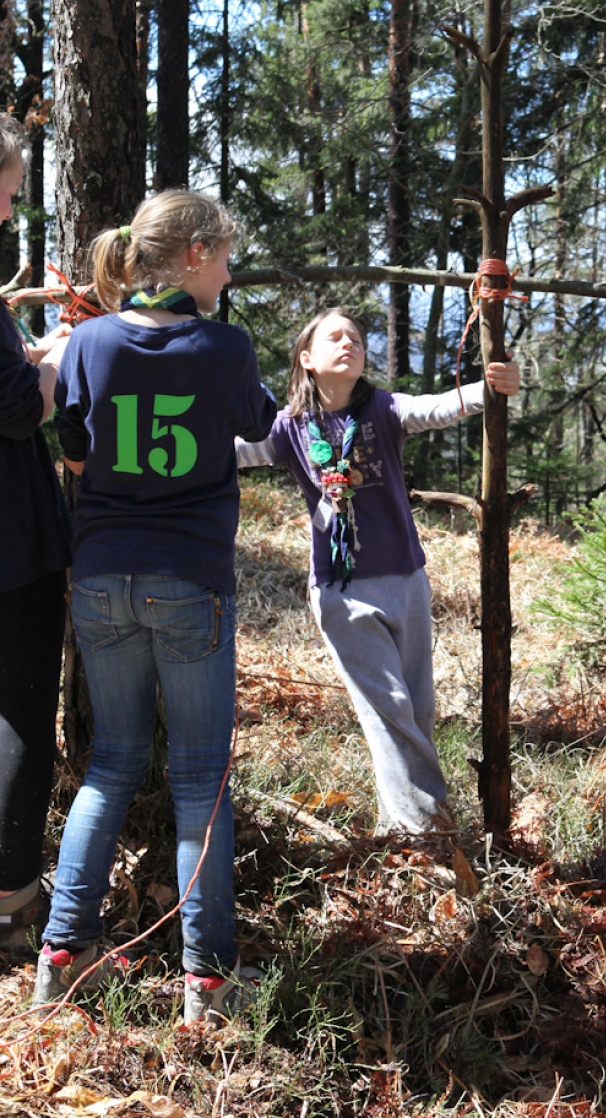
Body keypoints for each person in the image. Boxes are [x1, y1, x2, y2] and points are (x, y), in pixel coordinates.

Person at [33, 191, 276, 1026]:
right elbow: (261, 425)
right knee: (200, 777)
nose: (232, 272)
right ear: (198, 256)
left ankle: (63, 952)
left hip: (100, 575)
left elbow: (69, 440)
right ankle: (208, 978)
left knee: (110, 765)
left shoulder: (91, 339)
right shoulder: (225, 346)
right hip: (189, 577)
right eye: (227, 259)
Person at [238, 307, 520, 833]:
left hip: (406, 578)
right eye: (335, 337)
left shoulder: (386, 409)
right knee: (387, 708)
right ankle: (430, 829)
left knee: (415, 706)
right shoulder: (289, 429)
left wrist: (493, 385)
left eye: (357, 339)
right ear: (307, 359)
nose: (350, 343)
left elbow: (442, 408)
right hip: (341, 590)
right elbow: (227, 453)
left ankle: (401, 826)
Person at [0, 116, 74, 956]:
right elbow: (20, 410)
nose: (16, 206)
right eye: (13, 187)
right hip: (12, 540)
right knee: (19, 710)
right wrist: (56, 361)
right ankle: (15, 895)